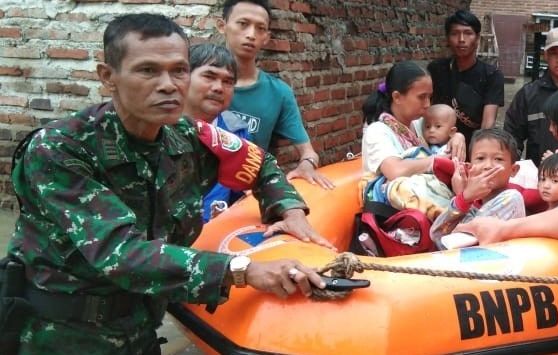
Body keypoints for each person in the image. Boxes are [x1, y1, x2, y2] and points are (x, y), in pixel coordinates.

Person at [4, 14, 333, 355]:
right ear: (108, 77)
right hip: (63, 337)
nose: (168, 84)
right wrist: (243, 270)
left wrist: (289, 209)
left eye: (178, 70)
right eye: (148, 71)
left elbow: (259, 163)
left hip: (141, 328)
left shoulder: (187, 136)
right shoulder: (60, 149)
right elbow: (122, 255)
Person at [217, 0, 334, 189]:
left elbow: (309, 152)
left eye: (260, 28)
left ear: (267, 37)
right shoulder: (195, 81)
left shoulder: (278, 92)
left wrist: (307, 165)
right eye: (243, 24)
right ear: (222, 26)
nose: (251, 34)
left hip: (248, 198)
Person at [362, 61, 466, 182]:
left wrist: (458, 137)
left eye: (429, 97)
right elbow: (395, 171)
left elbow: (444, 134)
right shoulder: (377, 131)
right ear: (397, 97)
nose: (427, 104)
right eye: (421, 97)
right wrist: (436, 160)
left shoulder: (420, 123)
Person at [182, 43, 248, 222]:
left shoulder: (236, 133)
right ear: (184, 77)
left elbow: (242, 194)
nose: (219, 88)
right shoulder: (157, 130)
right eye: (209, 76)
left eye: (228, 81)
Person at [430, 128, 525, 245]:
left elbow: (460, 243)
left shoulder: (511, 198)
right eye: (480, 158)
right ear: (469, 167)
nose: (488, 166)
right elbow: (436, 235)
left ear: (513, 170)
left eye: (498, 159)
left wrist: (464, 196)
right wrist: (463, 198)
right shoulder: (471, 203)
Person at [427, 10, 505, 146]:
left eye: (468, 33)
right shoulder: (436, 69)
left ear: (477, 38)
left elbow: (487, 124)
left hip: (471, 146)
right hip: (436, 146)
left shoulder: (492, 75)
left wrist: (478, 153)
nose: (461, 39)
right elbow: (425, 108)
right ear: (447, 38)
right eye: (455, 33)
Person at [504, 26, 558, 167]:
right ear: (545, 55)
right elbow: (511, 137)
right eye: (554, 53)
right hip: (540, 180)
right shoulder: (529, 94)